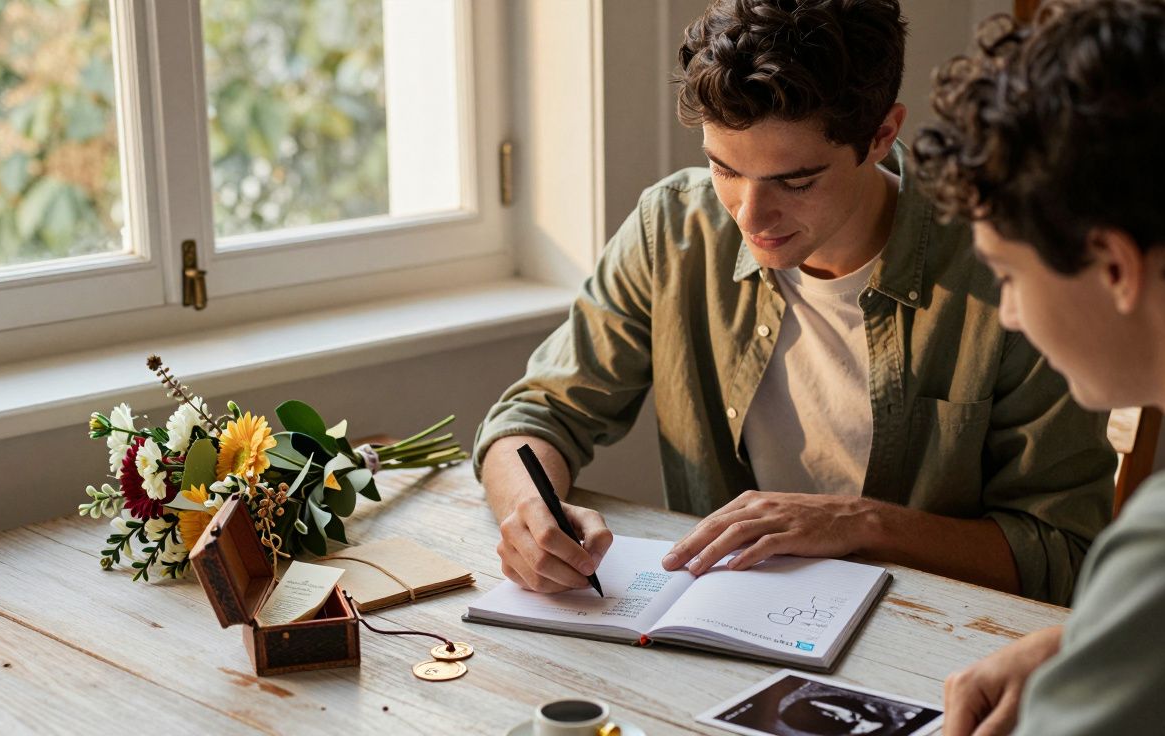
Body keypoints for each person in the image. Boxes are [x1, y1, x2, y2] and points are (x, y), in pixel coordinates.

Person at [475, 0, 1116, 606]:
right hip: (726, 634)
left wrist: (861, 525)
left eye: (796, 181)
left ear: (881, 134)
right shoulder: (673, 230)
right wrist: (527, 511)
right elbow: (535, 415)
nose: (751, 217)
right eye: (725, 169)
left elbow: (1063, 553)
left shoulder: (1004, 271)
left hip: (936, 651)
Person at [912, 0, 1165, 731]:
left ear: (1114, 265)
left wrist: (1162, 612)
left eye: (1009, 275)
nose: (1011, 314)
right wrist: (1105, 640)